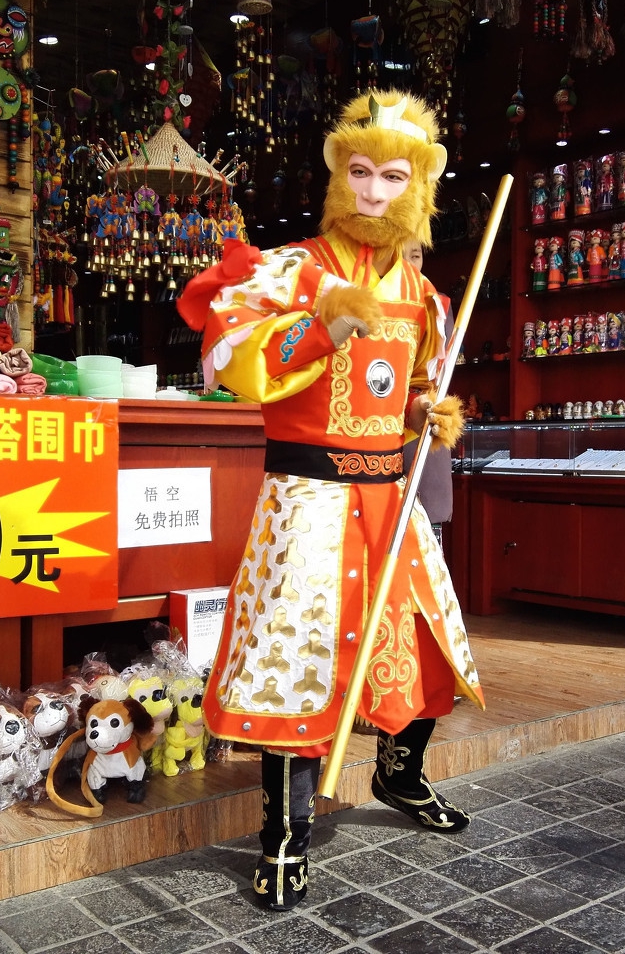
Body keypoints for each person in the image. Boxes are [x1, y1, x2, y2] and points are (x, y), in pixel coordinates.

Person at [175, 90, 484, 912]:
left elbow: (411, 388)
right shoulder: (289, 268)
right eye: (359, 172)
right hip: (308, 501)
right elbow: (228, 359)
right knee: (295, 663)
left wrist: (429, 411)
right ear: (336, 177)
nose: (372, 193)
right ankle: (283, 831)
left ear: (418, 188)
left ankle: (398, 772)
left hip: (390, 498)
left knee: (423, 641)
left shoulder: (425, 295)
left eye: (392, 177)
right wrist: (319, 328)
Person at [400, 240, 454, 546]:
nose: (409, 263)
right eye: (401, 254)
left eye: (416, 256)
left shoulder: (436, 306)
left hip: (421, 423)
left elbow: (437, 372)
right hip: (383, 435)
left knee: (427, 554)